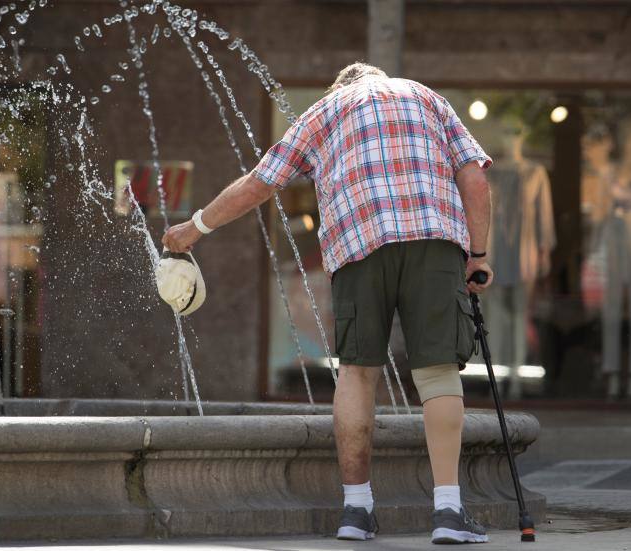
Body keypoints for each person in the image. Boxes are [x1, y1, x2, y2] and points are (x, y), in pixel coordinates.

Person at [162, 62, 494, 545]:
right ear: (378, 78)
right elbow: (476, 181)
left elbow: (259, 183)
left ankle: (356, 513)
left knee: (357, 371)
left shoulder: (325, 111)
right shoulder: (427, 98)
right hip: (434, 240)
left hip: (359, 244)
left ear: (342, 86)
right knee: (438, 371)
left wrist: (193, 229)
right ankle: (448, 512)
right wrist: (479, 256)